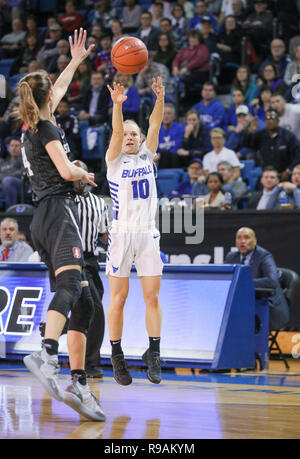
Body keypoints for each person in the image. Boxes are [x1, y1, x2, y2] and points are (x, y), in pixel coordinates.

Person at [19, 29, 105, 421]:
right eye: (53, 88)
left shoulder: (32, 123)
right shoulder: (48, 129)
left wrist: (75, 62)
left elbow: (56, 89)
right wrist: (83, 176)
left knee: (84, 301)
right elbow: (65, 168)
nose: (59, 90)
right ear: (47, 97)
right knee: (72, 286)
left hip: (43, 217)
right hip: (58, 212)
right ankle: (46, 353)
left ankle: (79, 381)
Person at [106, 76, 165, 386]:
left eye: (134, 133)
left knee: (152, 297)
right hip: (122, 233)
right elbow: (116, 130)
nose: (128, 136)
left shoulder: (146, 154)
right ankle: (116, 355)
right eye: (126, 133)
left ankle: (153, 352)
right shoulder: (113, 161)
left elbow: (155, 125)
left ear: (140, 140)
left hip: (147, 233)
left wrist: (159, 99)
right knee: (119, 298)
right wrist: (118, 106)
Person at [73, 160, 108, 378]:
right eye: (74, 174)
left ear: (88, 175)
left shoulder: (100, 203)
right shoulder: (64, 200)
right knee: (95, 308)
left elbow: (105, 235)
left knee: (85, 311)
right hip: (72, 258)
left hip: (92, 261)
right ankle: (91, 364)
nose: (78, 178)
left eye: (81, 173)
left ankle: (52, 328)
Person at [224, 227, 290, 330]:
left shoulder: (264, 256)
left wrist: (245, 283)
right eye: (239, 238)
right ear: (236, 242)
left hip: (266, 304)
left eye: (247, 237)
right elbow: (226, 279)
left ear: (255, 241)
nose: (242, 241)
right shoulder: (231, 257)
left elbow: (272, 281)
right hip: (244, 302)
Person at [244, 108, 300, 180]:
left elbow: (298, 154)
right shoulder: (259, 135)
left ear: (278, 121)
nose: (270, 121)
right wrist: (249, 133)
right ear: (265, 121)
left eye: (273, 118)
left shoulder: (288, 136)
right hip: (266, 175)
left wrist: (289, 170)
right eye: (267, 118)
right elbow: (247, 145)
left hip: (284, 175)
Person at [157, 102, 185, 168]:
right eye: (163, 113)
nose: (166, 116)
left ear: (174, 116)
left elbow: (177, 147)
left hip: (175, 159)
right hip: (160, 160)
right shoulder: (157, 130)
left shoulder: (180, 128)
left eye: (169, 113)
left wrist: (162, 154)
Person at [0, 137, 25, 209]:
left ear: (21, 147)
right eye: (12, 145)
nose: (14, 148)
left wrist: (2, 179)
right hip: (3, 184)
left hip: (22, 185)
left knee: (8, 181)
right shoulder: (4, 161)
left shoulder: (24, 160)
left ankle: (11, 210)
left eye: (17, 146)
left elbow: (22, 173)